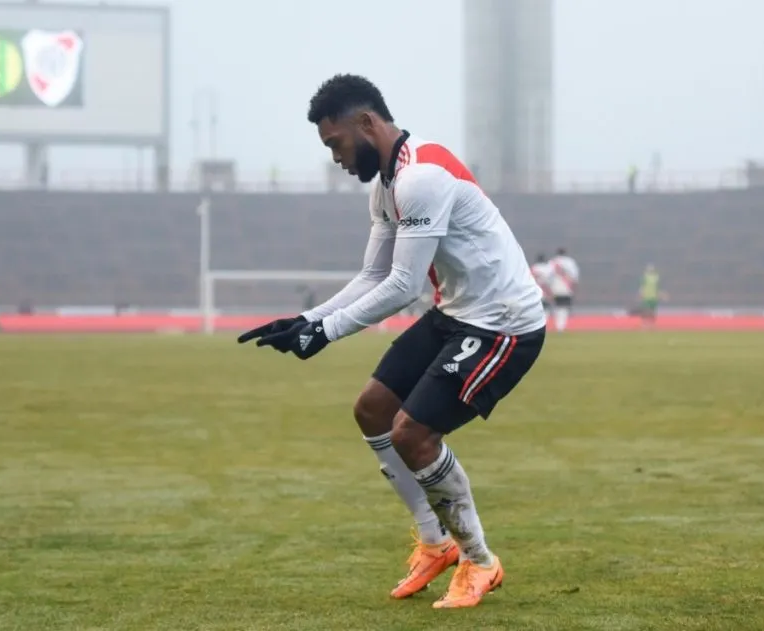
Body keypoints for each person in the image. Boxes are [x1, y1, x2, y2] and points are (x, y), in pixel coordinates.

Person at [237, 74, 547, 609]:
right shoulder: (387, 183)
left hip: (503, 323)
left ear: (366, 123)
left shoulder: (421, 176)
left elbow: (403, 287)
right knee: (372, 409)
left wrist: (326, 333)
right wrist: (306, 319)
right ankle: (436, 542)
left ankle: (478, 561)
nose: (334, 157)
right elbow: (373, 275)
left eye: (335, 143)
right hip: (455, 313)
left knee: (413, 434)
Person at [548, 248, 580, 332]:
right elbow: (575, 276)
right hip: (566, 288)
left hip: (554, 288)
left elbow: (548, 277)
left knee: (557, 307)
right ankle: (561, 326)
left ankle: (557, 325)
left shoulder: (552, 262)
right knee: (564, 307)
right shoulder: (570, 262)